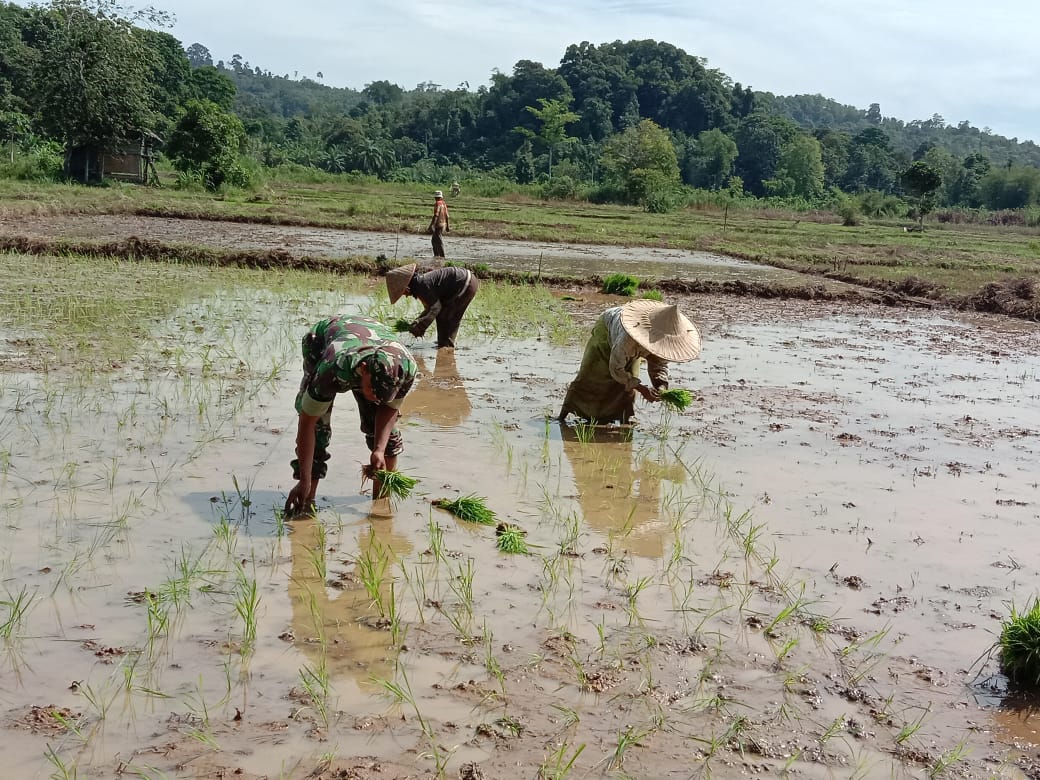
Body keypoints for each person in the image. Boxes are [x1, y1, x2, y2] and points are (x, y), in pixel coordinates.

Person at [285, 315, 417, 516]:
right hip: (322, 342)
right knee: (319, 429)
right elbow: (307, 423)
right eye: (374, 391)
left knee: (386, 436)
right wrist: (303, 480)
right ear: (363, 371)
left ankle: (381, 502)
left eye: (382, 395)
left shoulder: (405, 369)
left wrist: (379, 450)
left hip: (374, 340)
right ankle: (307, 499)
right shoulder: (332, 369)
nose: (377, 398)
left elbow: (389, 408)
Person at [558, 300, 700, 424]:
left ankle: (625, 421)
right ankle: (562, 417)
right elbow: (616, 369)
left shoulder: (663, 342)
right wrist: (643, 389)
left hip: (630, 346)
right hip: (607, 329)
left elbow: (660, 364)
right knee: (590, 376)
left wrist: (661, 387)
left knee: (627, 387)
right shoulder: (628, 339)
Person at [385, 262, 479, 349]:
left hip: (465, 283)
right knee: (448, 317)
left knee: (446, 317)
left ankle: (446, 345)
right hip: (465, 281)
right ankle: (445, 346)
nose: (405, 296)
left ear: (407, 288)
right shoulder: (420, 283)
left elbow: (436, 308)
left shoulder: (421, 285)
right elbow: (429, 308)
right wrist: (417, 322)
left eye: (403, 292)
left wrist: (421, 325)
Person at [428, 190, 450, 258]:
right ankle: (437, 256)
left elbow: (436, 215)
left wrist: (432, 225)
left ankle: (442, 256)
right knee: (434, 240)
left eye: (436, 197)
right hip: (443, 224)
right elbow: (447, 216)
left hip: (438, 224)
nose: (436, 199)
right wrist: (447, 226)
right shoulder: (444, 203)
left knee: (438, 240)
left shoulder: (437, 204)